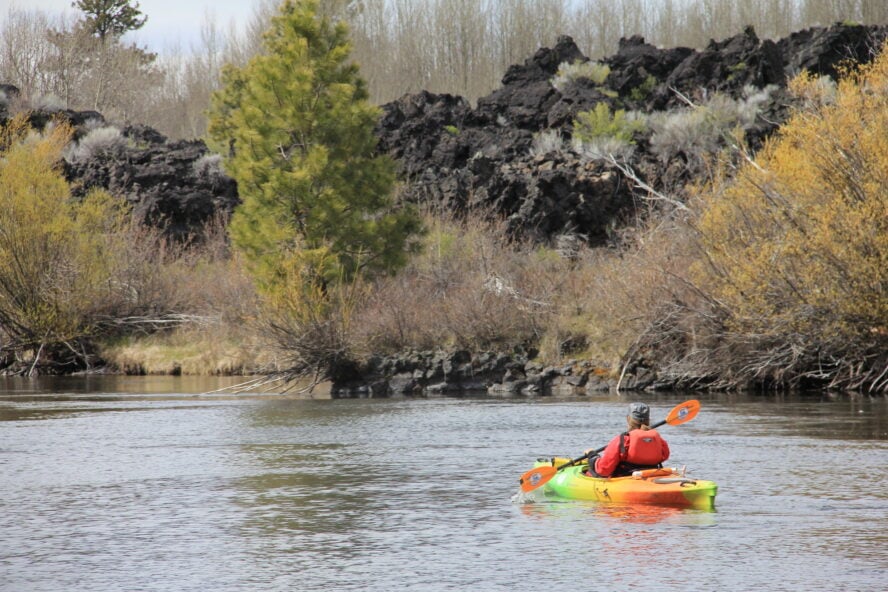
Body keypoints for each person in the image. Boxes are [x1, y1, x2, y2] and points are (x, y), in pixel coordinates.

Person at [585, 402, 670, 477]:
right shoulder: (658, 439)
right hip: (650, 476)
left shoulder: (622, 440)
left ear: (628, 419)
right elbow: (665, 455)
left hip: (626, 479)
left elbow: (603, 469)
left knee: (590, 472)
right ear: (648, 419)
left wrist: (592, 456)